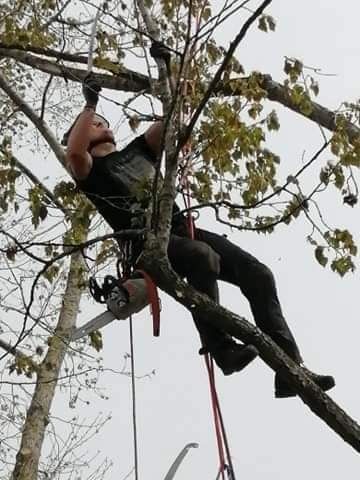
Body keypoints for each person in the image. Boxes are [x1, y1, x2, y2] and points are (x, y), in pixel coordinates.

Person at [64, 44, 335, 398]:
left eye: (102, 121)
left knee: (259, 274)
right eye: (95, 124)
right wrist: (90, 104)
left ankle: (289, 369)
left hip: (181, 228)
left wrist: (171, 69)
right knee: (202, 257)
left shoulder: (138, 149)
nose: (104, 124)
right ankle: (221, 349)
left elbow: (174, 120)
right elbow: (73, 151)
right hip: (144, 243)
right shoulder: (92, 172)